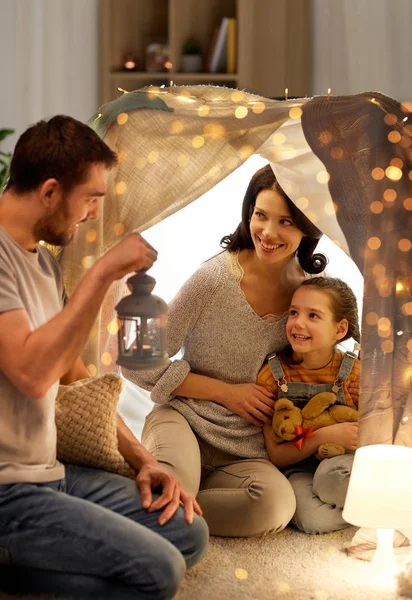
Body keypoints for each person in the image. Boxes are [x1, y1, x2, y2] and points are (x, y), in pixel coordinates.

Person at [0, 115, 208, 600]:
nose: (93, 212)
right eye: (90, 197)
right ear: (50, 191)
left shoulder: (42, 263)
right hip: (7, 492)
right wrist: (103, 272)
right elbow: (33, 375)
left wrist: (142, 459)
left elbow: (72, 377)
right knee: (159, 572)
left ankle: (17, 571)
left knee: (187, 531)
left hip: (48, 473)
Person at [123, 163, 340, 538]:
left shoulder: (309, 297)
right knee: (172, 489)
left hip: (247, 450)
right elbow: (138, 367)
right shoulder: (213, 279)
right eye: (260, 215)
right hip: (184, 422)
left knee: (277, 506)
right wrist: (227, 392)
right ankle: (166, 507)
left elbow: (322, 367)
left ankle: (177, 512)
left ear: (309, 227)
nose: (268, 233)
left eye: (286, 222)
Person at [259, 277, 361, 535]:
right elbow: (278, 455)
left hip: (341, 463)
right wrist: (323, 436)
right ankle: (373, 512)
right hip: (297, 469)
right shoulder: (272, 374)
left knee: (332, 481)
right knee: (312, 520)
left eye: (313, 315)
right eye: (294, 312)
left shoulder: (354, 373)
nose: (298, 323)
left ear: (339, 330)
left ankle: (377, 507)